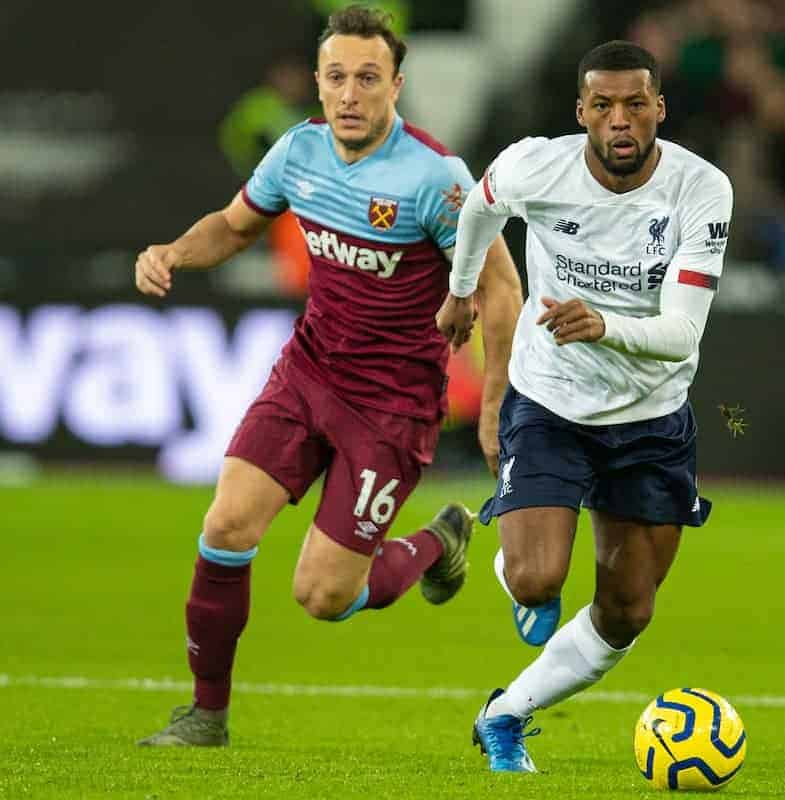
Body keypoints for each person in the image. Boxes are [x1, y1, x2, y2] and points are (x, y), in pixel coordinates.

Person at [135, 5, 522, 747]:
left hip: (391, 405)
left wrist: (494, 399)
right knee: (225, 524)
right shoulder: (297, 153)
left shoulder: (434, 179)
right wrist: (176, 251)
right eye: (337, 77)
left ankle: (438, 542)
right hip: (306, 372)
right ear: (317, 83)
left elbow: (501, 287)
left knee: (323, 595)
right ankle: (206, 715)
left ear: (396, 86)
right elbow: (233, 224)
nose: (350, 94)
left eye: (367, 78)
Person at [434, 40, 733, 773]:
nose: (620, 120)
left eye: (636, 104)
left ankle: (503, 716)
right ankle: (510, 564)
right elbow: (481, 203)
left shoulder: (702, 190)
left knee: (628, 610)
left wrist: (605, 324)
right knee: (538, 582)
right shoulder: (540, 163)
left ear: (660, 108)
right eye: (603, 106)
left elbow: (681, 333)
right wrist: (462, 287)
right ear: (582, 113)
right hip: (551, 404)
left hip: (652, 421)